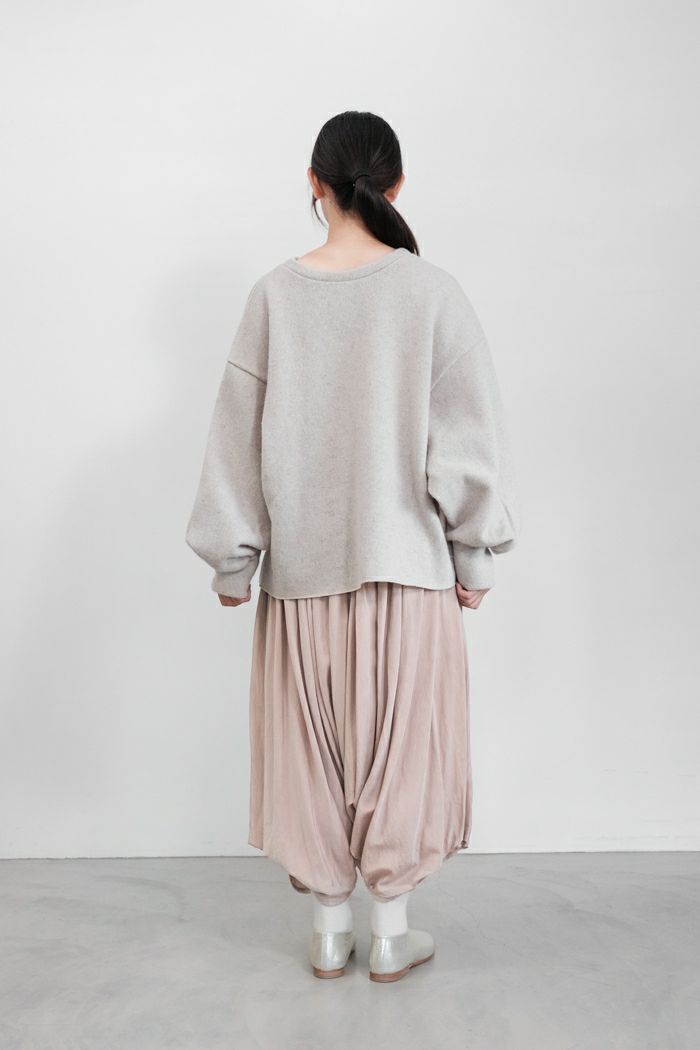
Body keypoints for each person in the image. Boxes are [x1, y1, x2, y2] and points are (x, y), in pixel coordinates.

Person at [185, 110, 520, 983]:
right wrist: (474, 554)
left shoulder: (274, 295)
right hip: (408, 575)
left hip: (304, 578)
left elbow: (236, 437)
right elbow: (468, 438)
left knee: (310, 756)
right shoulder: (432, 293)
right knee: (401, 757)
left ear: (314, 181)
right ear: (396, 186)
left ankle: (330, 933)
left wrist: (233, 560)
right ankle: (392, 932)